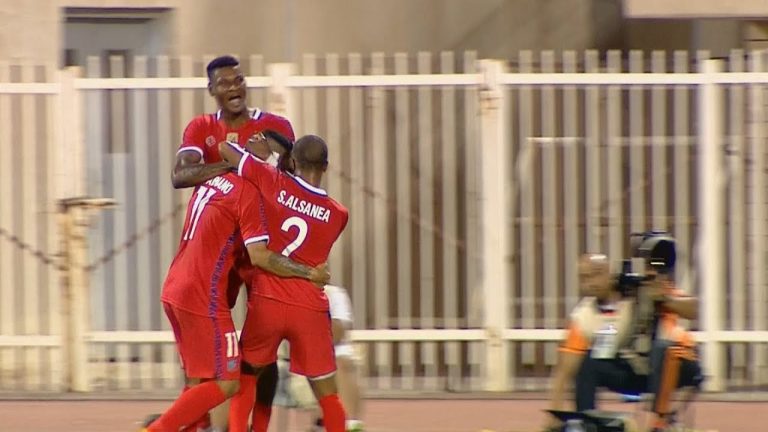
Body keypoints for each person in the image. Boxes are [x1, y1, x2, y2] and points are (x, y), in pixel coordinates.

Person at [142, 164, 331, 432]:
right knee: (229, 381)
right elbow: (259, 256)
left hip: (176, 288)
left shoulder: (214, 180)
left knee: (199, 380)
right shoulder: (249, 193)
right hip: (205, 297)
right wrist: (310, 273)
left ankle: (188, 427)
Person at [168, 54, 294, 431]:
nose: (234, 87)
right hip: (217, 252)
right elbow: (180, 175)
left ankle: (259, 426)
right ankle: (197, 420)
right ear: (212, 90)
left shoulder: (274, 126)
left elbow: (291, 179)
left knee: (262, 347)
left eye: (238, 80)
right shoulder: (201, 128)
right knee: (204, 344)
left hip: (260, 247)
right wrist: (239, 162)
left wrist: (261, 162)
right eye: (224, 83)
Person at [220, 135, 349, 432]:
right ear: (325, 167)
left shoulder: (272, 181)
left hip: (268, 301)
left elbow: (226, 150)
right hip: (309, 308)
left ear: (293, 161)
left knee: (247, 377)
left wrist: (266, 158)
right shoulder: (339, 214)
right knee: (328, 395)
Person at [546, 253, 702, 432]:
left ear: (611, 274)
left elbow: (693, 309)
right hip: (636, 371)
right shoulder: (583, 317)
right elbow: (564, 370)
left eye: (597, 274)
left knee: (663, 349)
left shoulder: (643, 291)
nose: (591, 282)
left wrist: (664, 299)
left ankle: (660, 423)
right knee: (586, 361)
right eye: (584, 277)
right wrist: (553, 415)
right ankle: (587, 421)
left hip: (679, 364)